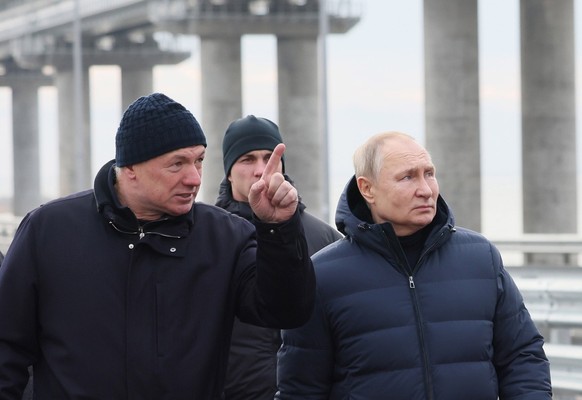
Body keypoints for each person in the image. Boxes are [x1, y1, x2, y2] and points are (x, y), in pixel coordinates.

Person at [0, 92, 315, 399]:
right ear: (131, 168)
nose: (194, 178)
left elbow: (285, 310)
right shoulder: (48, 230)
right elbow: (7, 346)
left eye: (199, 160)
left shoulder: (227, 238)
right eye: (177, 164)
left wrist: (278, 229)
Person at [276, 131, 552, 399]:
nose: (425, 190)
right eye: (407, 177)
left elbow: (522, 355)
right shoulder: (323, 276)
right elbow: (301, 390)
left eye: (429, 174)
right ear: (367, 188)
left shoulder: (481, 258)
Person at [217, 115, 342, 399]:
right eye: (247, 159)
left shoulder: (324, 238)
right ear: (228, 171)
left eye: (268, 157)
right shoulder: (210, 239)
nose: (260, 170)